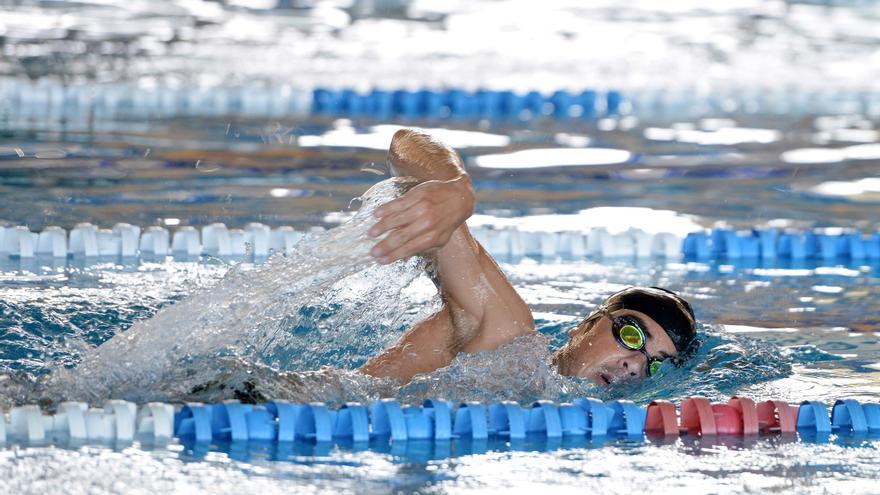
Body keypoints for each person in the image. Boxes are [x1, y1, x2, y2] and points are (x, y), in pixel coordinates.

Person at [359, 128, 697, 386]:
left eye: (656, 362)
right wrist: (455, 188)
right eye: (632, 335)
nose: (635, 364)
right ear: (581, 328)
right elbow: (405, 142)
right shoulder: (505, 335)